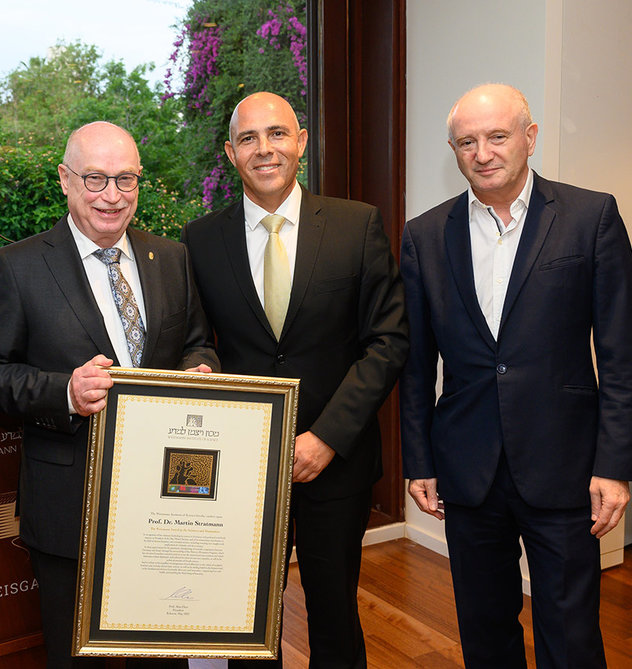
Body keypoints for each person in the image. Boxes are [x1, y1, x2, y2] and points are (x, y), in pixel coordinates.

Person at [399, 83, 632, 667]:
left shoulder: (591, 217)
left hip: (564, 466)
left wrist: (614, 466)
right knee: (485, 631)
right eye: (466, 142)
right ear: (454, 151)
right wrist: (420, 461)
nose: (482, 153)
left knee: (572, 632)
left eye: (497, 136)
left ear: (529, 138)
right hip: (466, 467)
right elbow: (415, 364)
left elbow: (621, 356)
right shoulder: (425, 235)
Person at [0, 121, 219, 668]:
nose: (111, 196)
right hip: (70, 507)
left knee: (165, 651)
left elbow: (197, 343)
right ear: (65, 179)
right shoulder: (19, 266)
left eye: (125, 179)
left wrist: (201, 370)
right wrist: (66, 393)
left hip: (169, 503)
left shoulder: (170, 257)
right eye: (95, 178)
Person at [182, 91, 409, 668]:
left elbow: (386, 341)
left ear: (301, 143)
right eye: (250, 139)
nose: (265, 149)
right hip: (241, 468)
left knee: (334, 614)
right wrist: (198, 367)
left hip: (337, 463)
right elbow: (197, 338)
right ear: (230, 153)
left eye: (278, 134)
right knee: (247, 617)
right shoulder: (199, 241)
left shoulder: (357, 225)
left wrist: (327, 437)